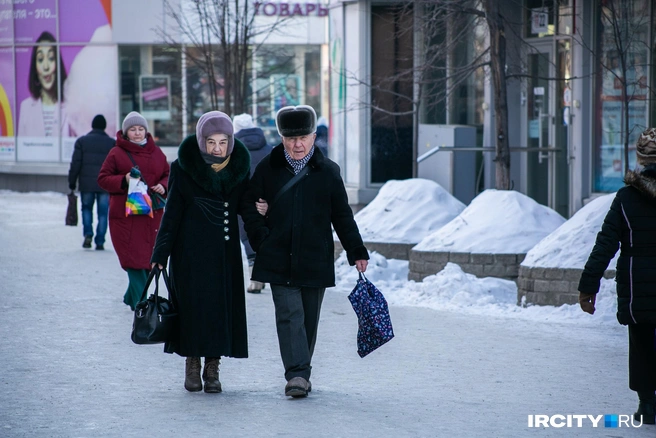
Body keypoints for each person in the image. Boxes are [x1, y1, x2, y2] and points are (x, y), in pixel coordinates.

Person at [241, 105, 369, 398]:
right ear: (282, 137)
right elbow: (248, 205)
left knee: (308, 319)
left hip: (314, 256)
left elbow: (342, 215)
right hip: (277, 255)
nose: (297, 145)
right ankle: (297, 374)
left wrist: (356, 249)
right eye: (290, 138)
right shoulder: (268, 168)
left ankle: (302, 371)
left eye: (304, 137)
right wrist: (261, 236)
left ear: (314, 137)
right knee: (289, 315)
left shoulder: (328, 171)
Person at [150, 111, 267, 393]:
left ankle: (212, 368)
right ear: (202, 141)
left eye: (223, 142)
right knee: (193, 309)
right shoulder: (183, 168)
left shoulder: (238, 170)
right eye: (212, 142)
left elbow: (247, 212)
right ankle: (192, 363)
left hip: (223, 256)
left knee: (219, 311)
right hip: (188, 254)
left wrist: (263, 241)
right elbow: (172, 215)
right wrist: (160, 254)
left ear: (230, 141)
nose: (217, 148)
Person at [579, 127, 656, 425]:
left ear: (639, 159)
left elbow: (605, 244)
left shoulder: (626, 198)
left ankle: (646, 404)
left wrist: (588, 286)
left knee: (641, 342)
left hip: (637, 286)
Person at [98, 111, 169, 311]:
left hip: (152, 215)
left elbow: (167, 174)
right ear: (126, 132)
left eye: (140, 129)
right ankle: (141, 304)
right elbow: (102, 179)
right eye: (133, 129)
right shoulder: (116, 153)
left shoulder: (157, 152)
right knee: (134, 261)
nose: (137, 133)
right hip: (126, 216)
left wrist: (163, 186)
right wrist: (124, 180)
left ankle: (132, 297)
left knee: (149, 261)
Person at [233, 113, 272, 293]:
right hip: (268, 200)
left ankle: (256, 281)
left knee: (248, 237)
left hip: (245, 201)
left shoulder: (235, 151)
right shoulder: (269, 148)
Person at [67, 114, 115, 250]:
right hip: (105, 184)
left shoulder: (82, 141)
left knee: (86, 208)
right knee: (103, 213)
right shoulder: (111, 143)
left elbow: (75, 163)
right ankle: (100, 241)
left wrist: (72, 181)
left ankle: (88, 234)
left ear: (92, 125)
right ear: (104, 126)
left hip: (86, 184)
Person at [18, 31, 72, 137]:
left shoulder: (70, 106)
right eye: (40, 59)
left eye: (51, 58)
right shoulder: (26, 107)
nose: (46, 66)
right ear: (35, 66)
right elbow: (21, 151)